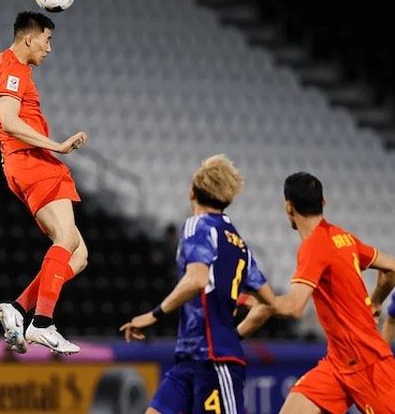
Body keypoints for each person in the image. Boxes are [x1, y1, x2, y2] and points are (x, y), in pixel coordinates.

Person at [120, 154, 275, 414]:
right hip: (190, 358)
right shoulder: (238, 242)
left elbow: (197, 279)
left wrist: (153, 315)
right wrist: (234, 334)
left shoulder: (197, 226)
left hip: (215, 361)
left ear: (191, 192)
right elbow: (269, 303)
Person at [0, 11, 88, 355]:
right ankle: (42, 323)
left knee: (79, 255)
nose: (49, 48)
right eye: (47, 39)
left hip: (18, 162)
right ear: (29, 38)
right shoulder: (12, 67)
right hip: (33, 160)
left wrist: (6, 155)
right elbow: (8, 121)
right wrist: (56, 145)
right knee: (67, 239)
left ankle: (19, 308)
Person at [259, 172, 395, 414]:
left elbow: (294, 307)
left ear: (288, 207)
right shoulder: (342, 237)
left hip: (368, 365)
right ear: (323, 202)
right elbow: (391, 267)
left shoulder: (313, 247)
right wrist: (375, 303)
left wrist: (253, 298)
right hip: (338, 362)